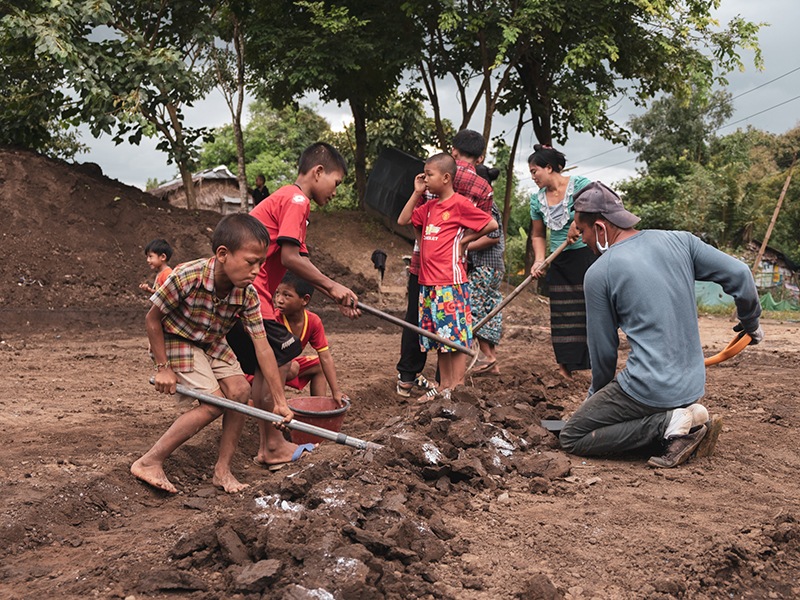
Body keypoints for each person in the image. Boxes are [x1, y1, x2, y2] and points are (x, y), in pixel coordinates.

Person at [559, 182, 764, 468]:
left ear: (601, 228)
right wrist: (751, 323)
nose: (584, 241)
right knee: (626, 410)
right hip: (692, 384)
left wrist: (597, 402)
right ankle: (685, 416)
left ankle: (668, 424)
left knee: (573, 436)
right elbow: (741, 273)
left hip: (650, 388)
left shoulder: (599, 272)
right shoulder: (680, 241)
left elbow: (604, 353)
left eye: (582, 233)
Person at [130, 214, 293, 494]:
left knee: (241, 392)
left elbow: (262, 345)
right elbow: (152, 320)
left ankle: (222, 471)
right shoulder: (187, 276)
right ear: (223, 254)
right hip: (176, 339)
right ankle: (149, 461)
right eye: (250, 262)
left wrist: (280, 401)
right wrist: (162, 367)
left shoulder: (247, 294)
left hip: (211, 341)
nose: (256, 270)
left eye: (261, 263)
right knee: (215, 403)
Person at [227, 142, 359, 469]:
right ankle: (272, 445)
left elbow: (292, 260)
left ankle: (268, 446)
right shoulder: (297, 200)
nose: (335, 191)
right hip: (253, 293)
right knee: (282, 356)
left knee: (266, 365)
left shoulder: (288, 198)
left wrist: (331, 291)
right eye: (336, 183)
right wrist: (332, 285)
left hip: (250, 293)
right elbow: (290, 257)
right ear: (317, 172)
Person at [395, 129, 494, 397]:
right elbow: (404, 221)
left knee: (454, 337)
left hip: (450, 282)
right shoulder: (428, 207)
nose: (425, 179)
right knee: (440, 338)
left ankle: (456, 387)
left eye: (429, 176)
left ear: (446, 177)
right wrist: (417, 193)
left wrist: (464, 242)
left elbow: (492, 224)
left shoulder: (459, 204)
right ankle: (442, 387)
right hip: (428, 284)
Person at [528, 144, 595, 379]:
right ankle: (565, 366)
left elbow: (592, 210)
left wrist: (577, 225)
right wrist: (539, 260)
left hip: (585, 256)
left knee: (587, 310)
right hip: (558, 261)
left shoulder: (579, 184)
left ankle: (592, 363)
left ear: (549, 168)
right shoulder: (537, 200)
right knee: (562, 314)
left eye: (535, 171)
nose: (533, 177)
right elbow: (538, 234)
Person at [273, 271, 348, 406]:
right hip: (264, 371)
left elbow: (325, 356)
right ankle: (277, 404)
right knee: (292, 367)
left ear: (305, 300)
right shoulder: (273, 319)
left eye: (287, 295)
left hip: (287, 365)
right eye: (277, 293)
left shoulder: (313, 321)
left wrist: (336, 391)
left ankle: (318, 409)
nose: (279, 300)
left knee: (319, 365)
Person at [468, 201, 504, 375]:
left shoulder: (485, 205)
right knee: (489, 311)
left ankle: (487, 357)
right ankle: (493, 365)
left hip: (484, 266)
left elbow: (493, 235)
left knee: (473, 311)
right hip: (495, 267)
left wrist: (463, 247)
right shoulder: (489, 204)